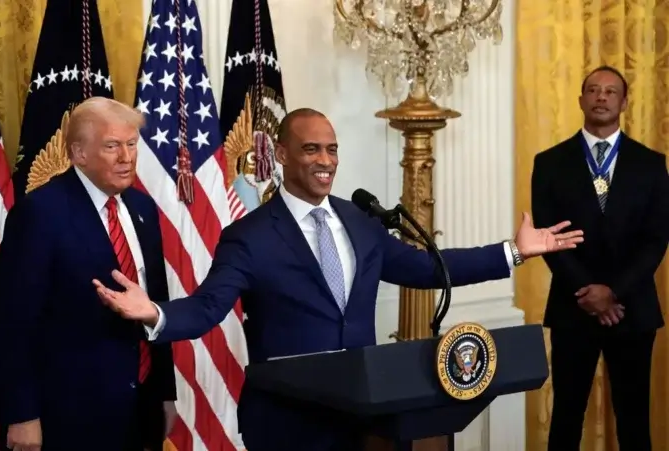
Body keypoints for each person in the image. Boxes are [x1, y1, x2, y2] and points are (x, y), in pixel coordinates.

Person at [93, 108, 583, 451]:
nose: (325, 160)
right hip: (288, 420)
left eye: (331, 149)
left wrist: (515, 251)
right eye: (311, 149)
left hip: (364, 415)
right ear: (281, 154)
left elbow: (428, 268)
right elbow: (207, 307)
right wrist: (156, 313)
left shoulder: (360, 221)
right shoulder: (249, 236)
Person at [0, 97, 178, 451]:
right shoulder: (39, 214)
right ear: (78, 153)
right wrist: (22, 414)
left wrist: (164, 393)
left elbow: (155, 305)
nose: (127, 157)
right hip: (67, 415)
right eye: (112, 146)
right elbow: (13, 323)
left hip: (139, 408)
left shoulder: (142, 207)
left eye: (132, 144)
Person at [531, 66, 669, 451]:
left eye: (611, 91)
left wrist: (613, 292)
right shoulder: (550, 162)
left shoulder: (651, 164)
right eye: (593, 90)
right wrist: (588, 292)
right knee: (566, 420)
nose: (601, 97)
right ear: (581, 100)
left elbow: (656, 239)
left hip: (632, 308)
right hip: (573, 307)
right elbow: (549, 237)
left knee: (634, 423)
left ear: (624, 102)